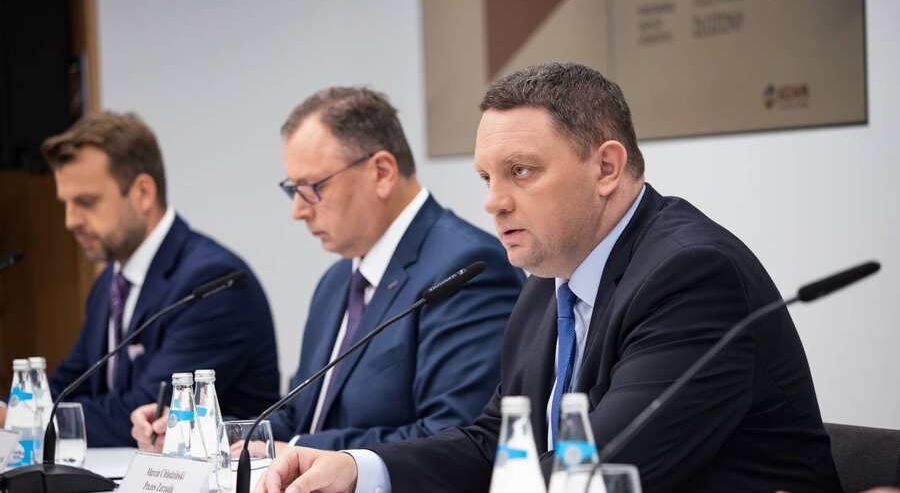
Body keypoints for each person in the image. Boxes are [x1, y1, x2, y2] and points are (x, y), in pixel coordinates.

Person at [255, 63, 843, 493]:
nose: (494, 202)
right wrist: (361, 469)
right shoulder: (549, 276)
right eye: (486, 177)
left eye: (521, 171)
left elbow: (590, 474)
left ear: (606, 167)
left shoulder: (690, 276)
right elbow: (496, 441)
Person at [131, 87, 525, 453]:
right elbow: (298, 416)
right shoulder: (336, 282)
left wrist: (296, 451)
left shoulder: (465, 268)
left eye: (312, 187)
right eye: (293, 189)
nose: (298, 210)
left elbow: (453, 436)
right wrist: (204, 433)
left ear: (382, 172)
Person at [0, 112, 282, 446]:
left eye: (86, 202)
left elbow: (146, 415)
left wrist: (22, 420)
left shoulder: (212, 283)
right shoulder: (109, 284)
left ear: (143, 193)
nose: (70, 221)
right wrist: (12, 410)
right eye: (66, 204)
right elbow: (69, 385)